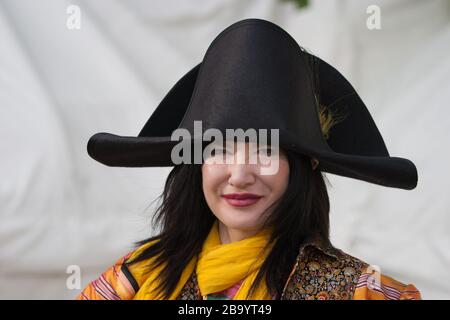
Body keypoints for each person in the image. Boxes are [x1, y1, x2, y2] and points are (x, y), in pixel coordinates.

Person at [77, 18, 421, 300]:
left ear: (304, 164)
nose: (239, 175)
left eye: (265, 151)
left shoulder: (358, 291)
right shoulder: (136, 280)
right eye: (219, 150)